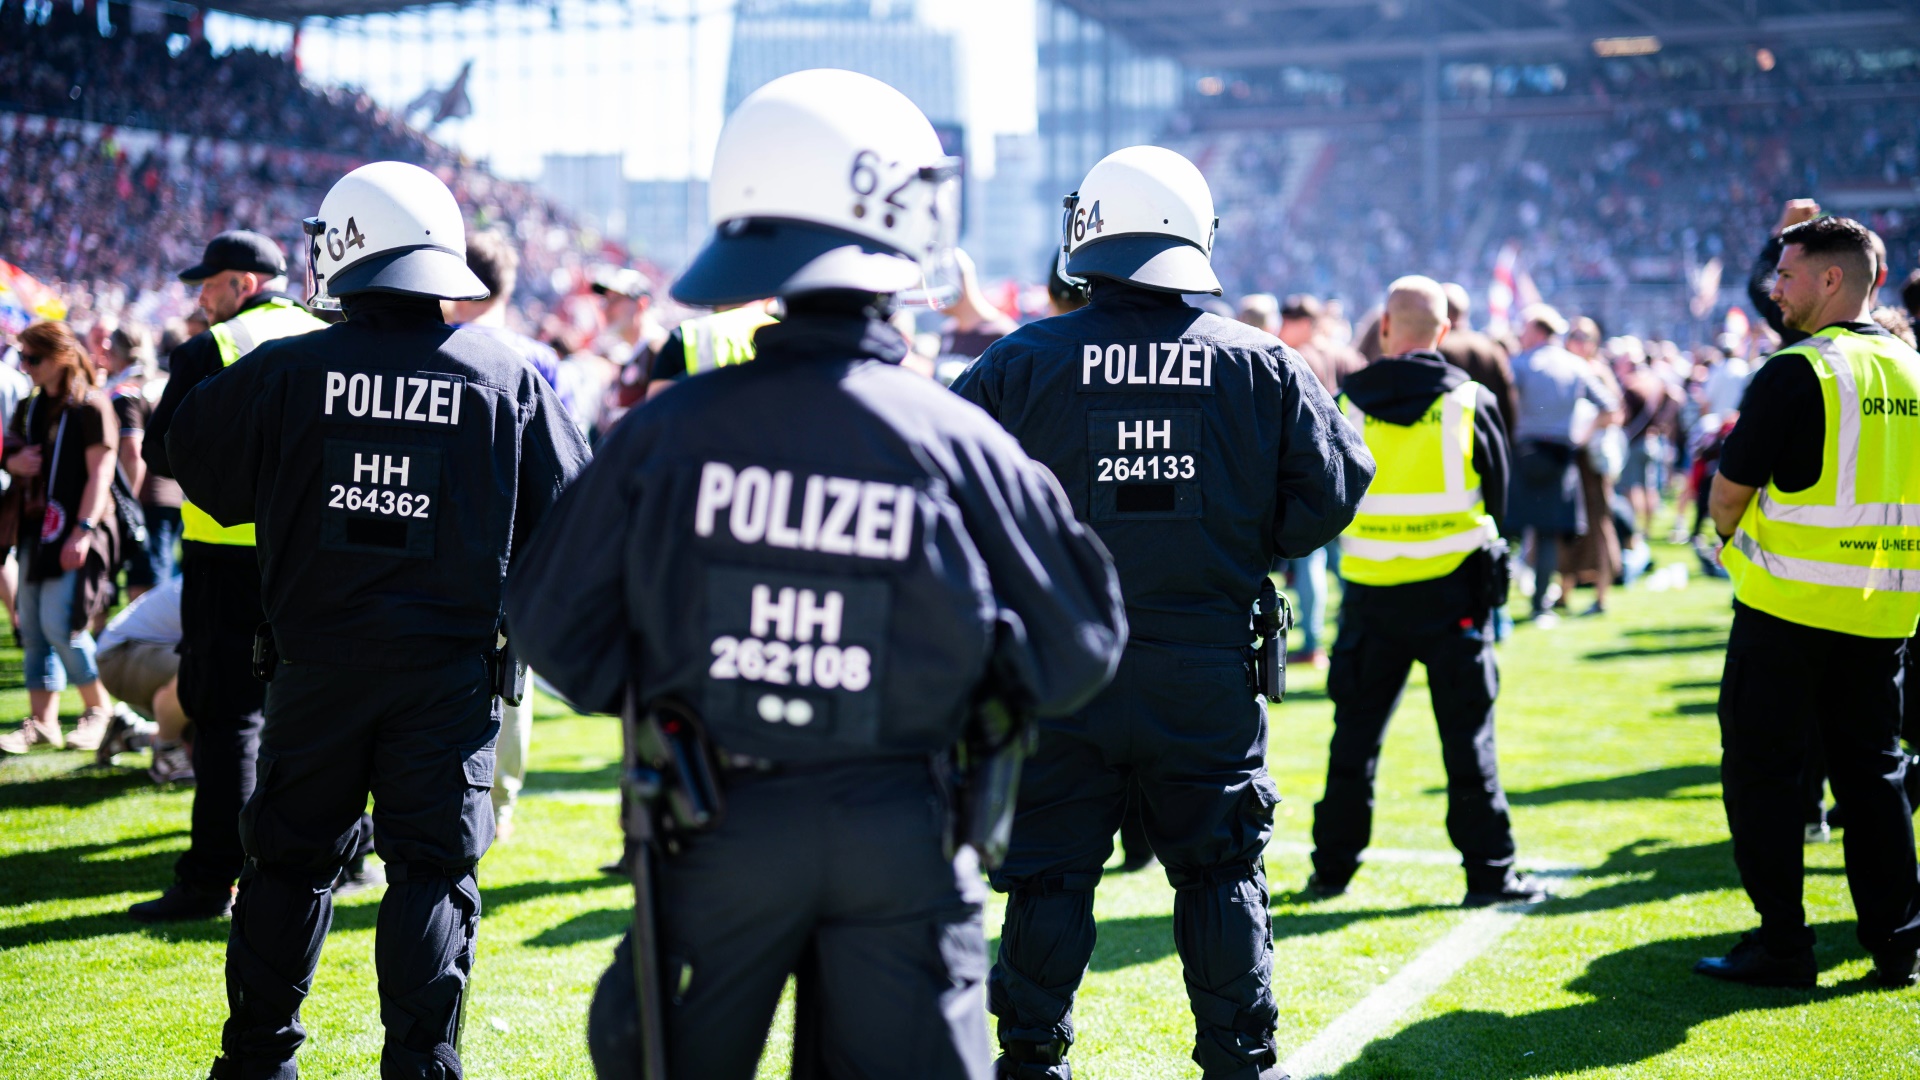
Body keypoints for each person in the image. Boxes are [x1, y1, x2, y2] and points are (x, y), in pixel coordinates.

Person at [506, 69, 1125, 1080]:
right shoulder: (957, 439)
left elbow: (549, 624)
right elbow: (1080, 647)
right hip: (906, 833)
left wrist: (673, 691)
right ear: (914, 222)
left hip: (713, 825)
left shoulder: (665, 431)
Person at [952, 144, 1374, 1080]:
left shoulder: (1020, 361)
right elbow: (1333, 491)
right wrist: (1240, 538)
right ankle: (1239, 1062)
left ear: (1089, 231)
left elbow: (950, 493)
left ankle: (1029, 1062)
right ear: (1198, 232)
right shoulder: (1263, 362)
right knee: (1221, 873)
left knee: (1048, 876)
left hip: (1062, 668)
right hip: (1205, 666)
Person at [169, 161, 589, 1079]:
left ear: (349, 248)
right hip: (447, 678)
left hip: (315, 668)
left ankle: (256, 1064)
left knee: (286, 867)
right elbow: (574, 520)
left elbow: (198, 470)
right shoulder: (507, 376)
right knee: (432, 875)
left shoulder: (282, 367)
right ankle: (423, 1067)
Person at [1698, 214, 1920, 990]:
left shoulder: (1799, 370)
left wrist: (1730, 542)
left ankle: (1785, 947)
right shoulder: (1914, 368)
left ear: (1832, 279)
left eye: (1787, 273)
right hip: (1884, 612)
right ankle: (1898, 946)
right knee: (1876, 778)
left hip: (1788, 609)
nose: (1774, 286)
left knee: (1764, 775)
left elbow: (1728, 495)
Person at [1305, 275, 1544, 906]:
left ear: (1385, 327)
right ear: (1443, 333)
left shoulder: (1345, 402)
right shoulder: (1472, 401)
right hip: (1453, 600)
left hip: (1369, 597)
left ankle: (1330, 870)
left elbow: (1322, 498)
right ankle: (1490, 874)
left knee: (1352, 742)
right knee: (1468, 742)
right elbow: (1501, 500)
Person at [131, 229, 334, 924]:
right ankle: (352, 856)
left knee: (226, 719)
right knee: (322, 711)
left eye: (208, 284)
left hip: (228, 558)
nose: (200, 296)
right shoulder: (329, 334)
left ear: (243, 284)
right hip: (314, 555)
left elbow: (162, 454)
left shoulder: (211, 348)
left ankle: (213, 879)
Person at [443, 229, 571, 843]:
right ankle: (499, 802)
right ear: (509, 285)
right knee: (508, 671)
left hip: (440, 532)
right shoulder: (538, 356)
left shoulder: (438, 344)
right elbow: (563, 455)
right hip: (515, 542)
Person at [0, 321, 122, 755]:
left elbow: (101, 473)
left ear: (60, 358)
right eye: (21, 357)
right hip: (36, 528)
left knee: (61, 625)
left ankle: (99, 711)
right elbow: (9, 449)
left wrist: (83, 531)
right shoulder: (31, 406)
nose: (25, 366)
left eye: (33, 358)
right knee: (30, 627)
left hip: (74, 530)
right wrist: (14, 462)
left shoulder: (91, 406)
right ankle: (43, 721)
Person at [1505, 303, 1618, 626]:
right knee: (1548, 533)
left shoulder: (1521, 364)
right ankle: (1541, 604)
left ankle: (1510, 600)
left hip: (1526, 453)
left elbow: (1507, 404)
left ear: (1538, 330)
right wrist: (1580, 435)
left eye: (1524, 328)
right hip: (1562, 456)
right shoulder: (1577, 366)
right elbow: (1609, 407)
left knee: (1515, 528)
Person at [102, 322, 181, 598]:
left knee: (144, 586)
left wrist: (126, 504)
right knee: (163, 574)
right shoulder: (165, 380)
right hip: (175, 493)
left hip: (145, 496)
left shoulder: (127, 391)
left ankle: (155, 642)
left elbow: (132, 452)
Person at [92, 574, 190, 780]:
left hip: (145, 652)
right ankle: (167, 751)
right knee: (210, 671)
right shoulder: (226, 579)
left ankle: (133, 735)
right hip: (118, 655)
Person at [1439, 282, 1519, 437]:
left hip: (1449, 438)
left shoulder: (1439, 347)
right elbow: (1507, 398)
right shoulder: (1490, 348)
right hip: (1487, 436)